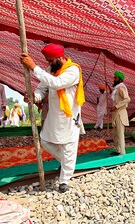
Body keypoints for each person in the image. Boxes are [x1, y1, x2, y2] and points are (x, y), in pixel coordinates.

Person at [21, 43, 85, 193]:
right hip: (54, 115)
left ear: (60, 57)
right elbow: (42, 88)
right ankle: (67, 164)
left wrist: (33, 67)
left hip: (69, 116)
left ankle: (64, 181)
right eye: (47, 61)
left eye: (50, 61)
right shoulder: (50, 70)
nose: (48, 64)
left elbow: (56, 84)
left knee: (68, 147)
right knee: (45, 141)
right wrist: (33, 97)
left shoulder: (73, 70)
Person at [109, 71, 130, 155]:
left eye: (116, 78)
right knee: (115, 134)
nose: (114, 79)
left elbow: (127, 99)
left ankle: (122, 153)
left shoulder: (121, 88)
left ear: (120, 79)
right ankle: (118, 150)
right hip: (115, 114)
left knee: (120, 134)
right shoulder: (117, 89)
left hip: (120, 114)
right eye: (114, 77)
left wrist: (116, 106)